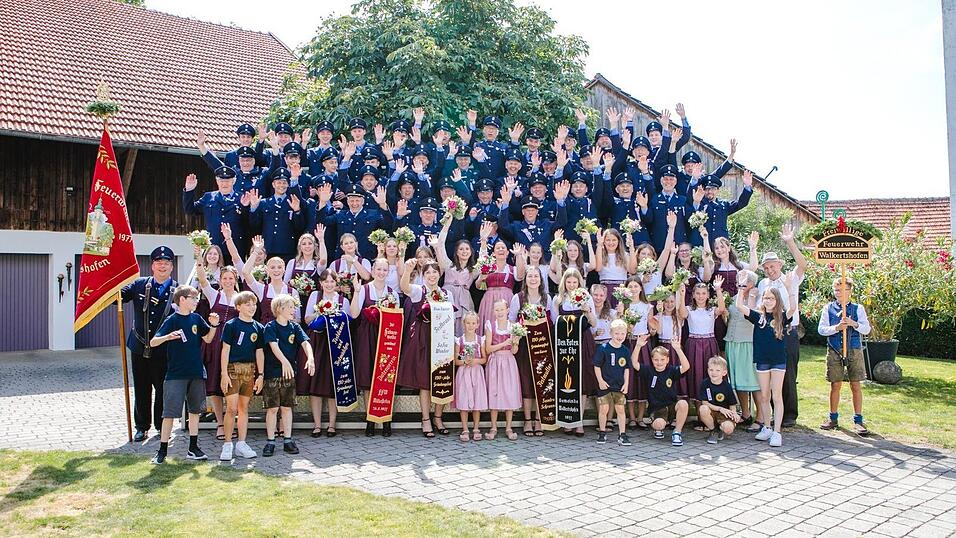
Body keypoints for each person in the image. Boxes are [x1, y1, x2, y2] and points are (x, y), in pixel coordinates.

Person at [148, 285, 219, 464]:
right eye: (193, 298)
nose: (196, 301)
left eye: (196, 298)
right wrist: (167, 337)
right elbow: (153, 342)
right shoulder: (172, 320)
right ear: (182, 300)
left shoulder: (196, 318)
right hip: (176, 374)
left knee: (195, 411)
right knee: (170, 413)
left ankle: (193, 448)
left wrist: (214, 325)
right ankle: (162, 451)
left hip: (196, 372)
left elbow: (208, 338)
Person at [121, 246, 178, 442]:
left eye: (167, 263)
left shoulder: (178, 291)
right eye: (159, 263)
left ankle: (162, 427)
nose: (162, 266)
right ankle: (141, 426)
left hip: (165, 350)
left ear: (172, 267)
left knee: (163, 389)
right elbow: (117, 298)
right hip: (139, 346)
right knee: (141, 388)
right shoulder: (139, 285)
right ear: (152, 265)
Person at [755, 224, 807, 427]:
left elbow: (803, 264)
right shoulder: (762, 284)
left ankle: (789, 415)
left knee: (789, 374)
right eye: (766, 267)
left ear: (779, 265)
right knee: (770, 374)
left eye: (772, 266)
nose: (770, 270)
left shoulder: (791, 278)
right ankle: (772, 416)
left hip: (788, 330)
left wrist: (790, 242)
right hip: (768, 334)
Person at [736, 279, 798, 448]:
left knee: (776, 395)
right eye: (766, 298)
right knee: (764, 396)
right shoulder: (758, 317)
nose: (768, 301)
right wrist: (742, 289)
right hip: (762, 360)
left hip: (778, 361)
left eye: (771, 298)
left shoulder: (782, 317)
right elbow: (740, 307)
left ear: (777, 301)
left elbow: (793, 308)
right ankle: (767, 427)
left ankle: (777, 432)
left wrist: (789, 289)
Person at [397, 259, 450, 437]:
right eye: (428, 272)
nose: (432, 275)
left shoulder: (446, 293)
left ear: (439, 274)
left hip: (441, 340)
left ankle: (438, 417)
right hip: (423, 339)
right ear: (423, 275)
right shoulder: (420, 291)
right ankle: (426, 419)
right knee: (424, 381)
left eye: (435, 272)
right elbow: (404, 287)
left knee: (441, 378)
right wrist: (407, 270)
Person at [349, 259, 399, 437]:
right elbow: (354, 314)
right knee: (368, 377)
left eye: (385, 270)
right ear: (372, 269)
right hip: (367, 336)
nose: (381, 272)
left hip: (386, 338)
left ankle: (386, 419)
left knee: (386, 376)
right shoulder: (364, 289)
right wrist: (355, 292)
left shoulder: (393, 292)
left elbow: (396, 319)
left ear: (388, 272)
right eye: (378, 269)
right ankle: (370, 419)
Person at [262, 293, 315, 457]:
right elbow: (273, 346)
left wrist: (311, 358)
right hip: (272, 373)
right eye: (290, 307)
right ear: (279, 309)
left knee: (287, 407)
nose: (294, 310)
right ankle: (270, 441)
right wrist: (284, 362)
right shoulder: (270, 327)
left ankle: (287, 440)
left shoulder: (295, 327)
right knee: (272, 409)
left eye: (294, 307)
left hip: (289, 374)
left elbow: (305, 342)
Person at [818, 276, 871, 435]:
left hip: (854, 349)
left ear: (850, 291)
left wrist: (854, 324)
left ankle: (858, 420)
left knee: (855, 384)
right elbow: (821, 329)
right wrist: (836, 327)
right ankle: (833, 418)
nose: (840, 293)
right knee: (835, 384)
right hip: (835, 349)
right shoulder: (828, 308)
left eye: (843, 290)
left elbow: (866, 329)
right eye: (837, 290)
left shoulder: (857, 308)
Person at [300, 270, 350, 437]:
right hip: (318, 341)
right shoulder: (315, 296)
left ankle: (332, 424)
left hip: (337, 343)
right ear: (321, 283)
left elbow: (349, 320)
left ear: (337, 284)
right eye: (326, 281)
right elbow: (307, 319)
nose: (329, 284)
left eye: (332, 281)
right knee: (315, 383)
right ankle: (316, 425)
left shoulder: (342, 300)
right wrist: (321, 312)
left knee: (332, 383)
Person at [195, 257, 239, 442]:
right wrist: (198, 257)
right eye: (225, 278)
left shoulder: (240, 298)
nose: (228, 281)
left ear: (236, 280)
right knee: (214, 382)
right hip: (215, 342)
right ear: (220, 280)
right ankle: (220, 423)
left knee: (233, 382)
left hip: (235, 343)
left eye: (231, 278)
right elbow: (202, 280)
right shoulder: (214, 295)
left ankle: (233, 420)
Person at [551, 268, 599, 436]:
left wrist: (587, 311)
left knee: (582, 381)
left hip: (583, 341)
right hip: (565, 344)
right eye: (568, 282)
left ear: (579, 282)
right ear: (564, 282)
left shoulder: (586, 298)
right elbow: (554, 323)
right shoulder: (558, 299)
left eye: (574, 282)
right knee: (567, 380)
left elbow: (594, 324)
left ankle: (579, 421)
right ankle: (567, 419)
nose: (571, 285)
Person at [218, 291, 264, 461]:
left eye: (254, 304)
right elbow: (225, 350)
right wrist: (224, 373)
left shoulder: (258, 328)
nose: (252, 307)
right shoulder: (231, 325)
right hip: (232, 370)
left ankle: (241, 444)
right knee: (231, 408)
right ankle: (228, 444)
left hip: (250, 370)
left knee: (244, 408)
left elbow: (260, 353)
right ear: (238, 307)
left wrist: (261, 374)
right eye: (247, 304)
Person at [678, 278, 727, 427]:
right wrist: (681, 294)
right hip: (693, 344)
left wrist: (718, 290)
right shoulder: (689, 309)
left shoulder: (711, 310)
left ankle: (711, 415)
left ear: (707, 295)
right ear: (693, 295)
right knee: (696, 376)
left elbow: (722, 308)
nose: (700, 296)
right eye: (697, 293)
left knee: (709, 375)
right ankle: (700, 415)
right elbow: (681, 313)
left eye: (703, 293)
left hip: (709, 344)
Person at [182, 168, 248, 265]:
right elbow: (190, 210)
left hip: (235, 249)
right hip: (213, 251)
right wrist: (189, 190)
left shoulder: (242, 198)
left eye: (227, 181)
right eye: (221, 181)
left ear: (234, 181)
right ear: (217, 181)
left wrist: (246, 207)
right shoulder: (208, 197)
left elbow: (250, 221)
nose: (224, 184)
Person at [724, 270, 763, 432]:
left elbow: (752, 315)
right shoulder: (733, 299)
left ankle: (760, 417)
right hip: (732, 343)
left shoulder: (757, 298)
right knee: (739, 381)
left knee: (753, 382)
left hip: (747, 343)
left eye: (744, 280)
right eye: (738, 279)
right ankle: (746, 414)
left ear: (751, 284)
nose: (739, 282)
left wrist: (751, 296)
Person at [632, 343, 691, 447]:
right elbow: (634, 364)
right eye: (656, 360)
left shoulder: (671, 371)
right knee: (659, 425)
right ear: (652, 360)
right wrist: (638, 346)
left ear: (667, 360)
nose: (659, 362)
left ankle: (677, 433)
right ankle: (658, 428)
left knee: (683, 404)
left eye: (662, 359)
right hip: (657, 408)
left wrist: (678, 349)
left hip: (671, 405)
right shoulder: (648, 371)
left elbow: (686, 366)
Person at [484, 299, 523, 441]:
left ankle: (508, 427)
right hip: (495, 360)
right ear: (493, 311)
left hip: (508, 361)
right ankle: (493, 427)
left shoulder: (513, 326)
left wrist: (515, 342)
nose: (499, 312)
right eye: (497, 310)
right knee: (494, 391)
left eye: (502, 309)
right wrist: (504, 343)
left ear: (507, 310)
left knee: (509, 392)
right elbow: (488, 348)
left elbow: (514, 351)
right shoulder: (490, 325)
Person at [593, 320, 636, 446]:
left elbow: (627, 368)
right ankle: (602, 432)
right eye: (617, 333)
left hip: (619, 385)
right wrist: (600, 381)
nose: (620, 336)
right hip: (605, 384)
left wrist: (626, 383)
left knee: (620, 409)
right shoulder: (603, 348)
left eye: (623, 334)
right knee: (604, 409)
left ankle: (622, 434)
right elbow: (597, 366)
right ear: (611, 333)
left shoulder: (625, 350)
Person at [454, 311, 488, 442]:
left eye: (473, 323)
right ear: (463, 324)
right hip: (463, 372)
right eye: (468, 323)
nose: (470, 325)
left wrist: (475, 361)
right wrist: (464, 360)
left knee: (476, 399)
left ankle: (476, 428)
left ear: (478, 324)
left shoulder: (480, 340)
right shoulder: (459, 340)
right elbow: (456, 359)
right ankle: (465, 428)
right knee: (464, 399)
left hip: (477, 372)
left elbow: (484, 358)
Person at [697, 356, 741, 445]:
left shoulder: (727, 386)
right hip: (711, 412)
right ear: (708, 370)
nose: (714, 373)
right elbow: (705, 402)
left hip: (724, 414)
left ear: (724, 372)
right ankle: (714, 430)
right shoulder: (705, 383)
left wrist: (734, 414)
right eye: (711, 370)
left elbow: (732, 404)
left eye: (717, 370)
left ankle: (721, 429)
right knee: (703, 408)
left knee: (728, 429)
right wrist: (720, 409)